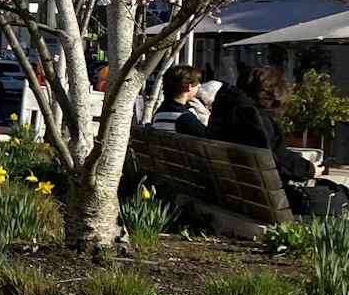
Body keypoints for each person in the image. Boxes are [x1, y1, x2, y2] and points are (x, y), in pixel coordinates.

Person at [208, 65, 349, 216]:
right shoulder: (252, 116)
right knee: (342, 195)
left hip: (233, 190)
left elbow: (273, 154)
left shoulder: (225, 109)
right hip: (260, 197)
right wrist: (310, 169)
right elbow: (280, 161)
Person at [149, 65, 208, 136]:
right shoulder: (184, 118)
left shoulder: (161, 111)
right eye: (197, 85)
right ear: (188, 87)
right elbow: (209, 138)